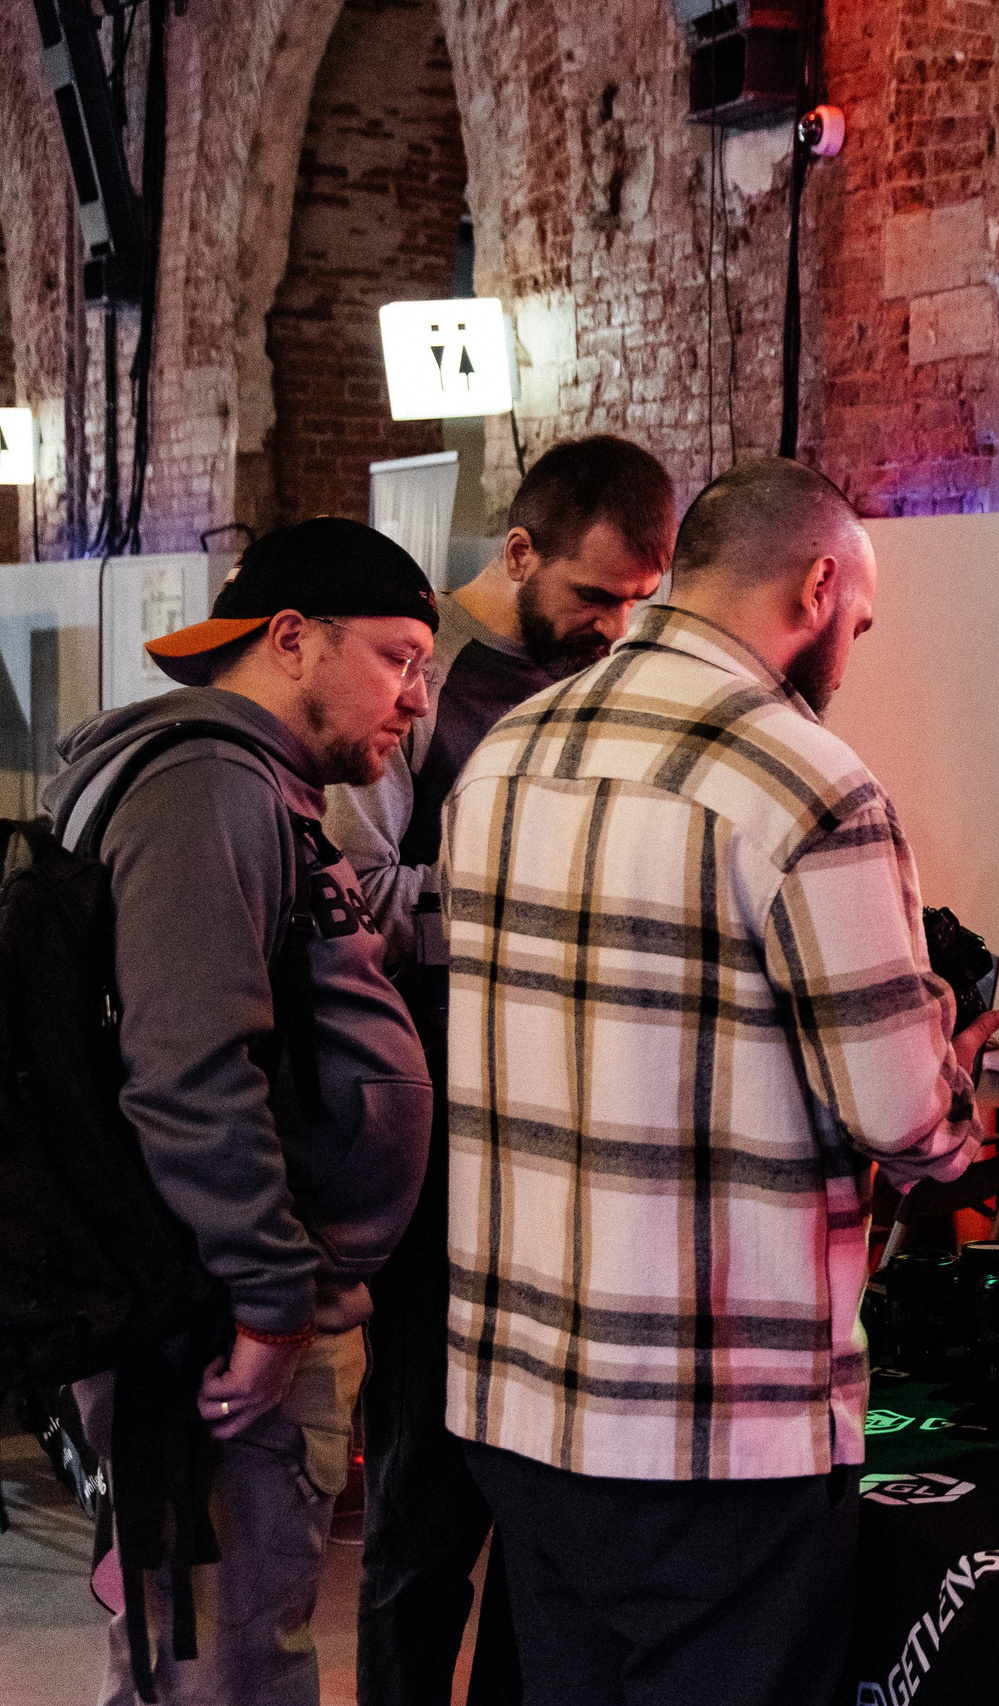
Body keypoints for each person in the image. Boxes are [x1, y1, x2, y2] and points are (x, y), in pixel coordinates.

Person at [440, 456, 999, 1705]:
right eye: (854, 620)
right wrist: (951, 1071)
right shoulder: (807, 781)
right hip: (712, 1424)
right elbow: (899, 1115)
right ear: (816, 584)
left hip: (515, 1399)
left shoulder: (504, 752)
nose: (849, 649)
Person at [47, 519, 439, 1705]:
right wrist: (271, 1299)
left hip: (222, 1296)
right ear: (289, 638)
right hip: (219, 1316)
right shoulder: (207, 783)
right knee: (227, 1669)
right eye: (396, 657)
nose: (415, 697)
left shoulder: (247, 781)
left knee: (214, 1653)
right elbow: (188, 1067)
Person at [325, 436, 673, 1706]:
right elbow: (351, 893)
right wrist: (541, 901)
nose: (615, 624)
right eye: (593, 595)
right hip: (437, 1149)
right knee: (420, 1517)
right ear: (517, 552)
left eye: (640, 599)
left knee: (549, 1519)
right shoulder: (423, 674)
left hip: (566, 1146)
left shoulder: (613, 673)